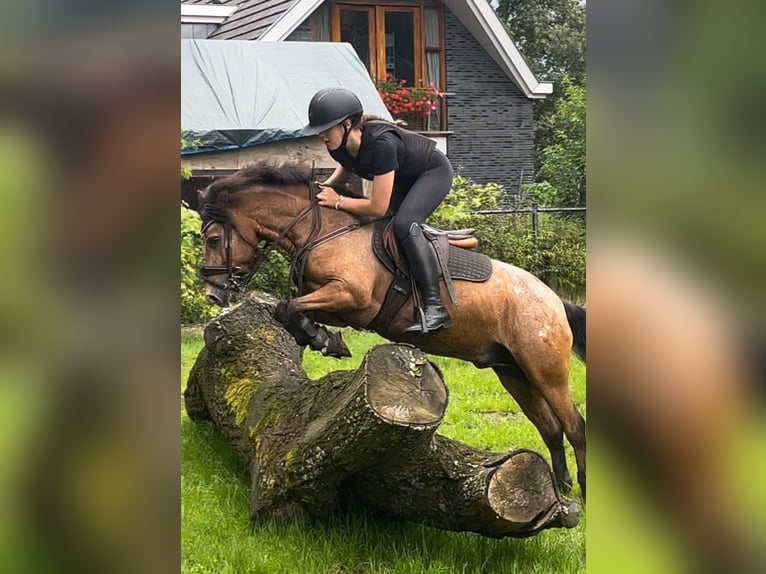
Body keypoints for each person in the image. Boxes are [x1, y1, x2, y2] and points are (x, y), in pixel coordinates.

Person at [302, 87, 453, 333]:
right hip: (402, 178)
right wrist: (323, 188)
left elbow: (377, 206)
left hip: (431, 173)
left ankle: (436, 307)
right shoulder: (336, 144)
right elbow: (346, 167)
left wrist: (337, 201)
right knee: (379, 226)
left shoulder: (383, 145)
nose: (321, 136)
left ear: (347, 124)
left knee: (404, 223)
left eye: (325, 129)